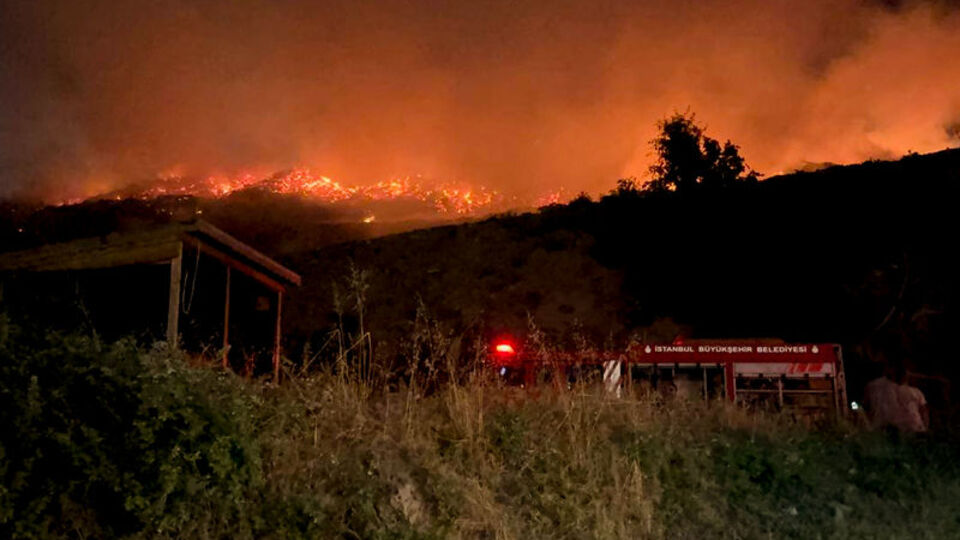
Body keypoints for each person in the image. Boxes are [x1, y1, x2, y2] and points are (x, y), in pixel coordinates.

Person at [893, 364, 929, 433]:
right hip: (915, 423)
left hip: (899, 425)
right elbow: (924, 411)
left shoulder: (893, 390)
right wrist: (925, 426)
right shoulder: (916, 392)